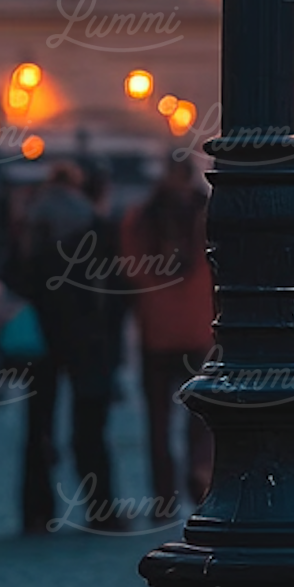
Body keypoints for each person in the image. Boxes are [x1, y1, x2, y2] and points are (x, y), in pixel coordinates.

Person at [8, 161, 121, 532]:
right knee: (89, 427)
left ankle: (35, 509)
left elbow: (13, 278)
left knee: (37, 423)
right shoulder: (91, 221)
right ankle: (100, 507)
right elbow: (113, 284)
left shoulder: (30, 221)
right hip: (85, 331)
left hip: (39, 331)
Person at [120, 152, 214, 517]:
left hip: (155, 330)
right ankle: (199, 475)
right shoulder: (207, 217)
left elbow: (129, 270)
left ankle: (164, 496)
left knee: (157, 421)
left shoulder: (139, 219)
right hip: (198, 328)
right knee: (203, 415)